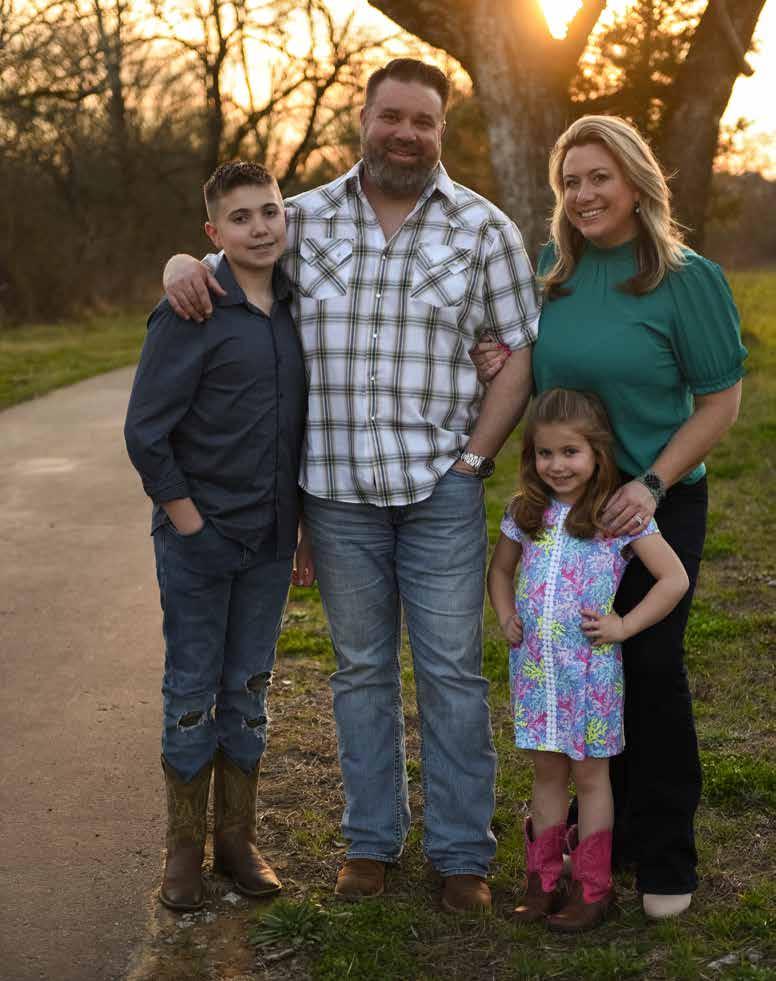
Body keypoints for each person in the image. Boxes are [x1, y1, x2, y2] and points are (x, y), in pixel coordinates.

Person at [162, 58, 541, 912]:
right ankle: (370, 841)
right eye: (391, 116)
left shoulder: (485, 229)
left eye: (423, 121)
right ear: (363, 119)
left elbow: (519, 351)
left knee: (451, 672)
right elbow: (222, 261)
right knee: (361, 669)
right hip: (335, 495)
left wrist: (475, 460)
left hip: (441, 488)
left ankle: (460, 854)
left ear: (441, 131)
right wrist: (178, 261)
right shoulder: (303, 220)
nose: (406, 133)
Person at [474, 115, 746, 918]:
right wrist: (498, 363)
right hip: (573, 504)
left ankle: (665, 853)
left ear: (635, 181)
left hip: (655, 497)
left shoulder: (687, 278)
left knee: (649, 665)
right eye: (571, 180)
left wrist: (653, 483)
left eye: (600, 177)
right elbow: (532, 374)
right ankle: (606, 841)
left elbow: (721, 401)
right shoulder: (551, 274)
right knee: (591, 666)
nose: (584, 193)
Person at [124, 161, 311, 911]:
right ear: (214, 232)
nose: (260, 228)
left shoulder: (300, 306)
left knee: (249, 687)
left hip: (270, 538)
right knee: (192, 688)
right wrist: (188, 523)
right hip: (198, 537)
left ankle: (237, 839)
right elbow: (146, 432)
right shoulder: (190, 309)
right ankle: (183, 851)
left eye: (270, 211)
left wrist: (299, 529)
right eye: (241, 217)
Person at [487, 388, 689, 931]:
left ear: (598, 453)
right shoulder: (524, 512)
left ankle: (593, 888)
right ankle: (543, 881)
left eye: (570, 452)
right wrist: (506, 615)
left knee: (592, 776)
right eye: (545, 453)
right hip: (537, 673)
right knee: (547, 773)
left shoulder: (615, 516)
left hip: (590, 676)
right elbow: (500, 571)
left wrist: (625, 626)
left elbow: (674, 579)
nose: (557, 465)